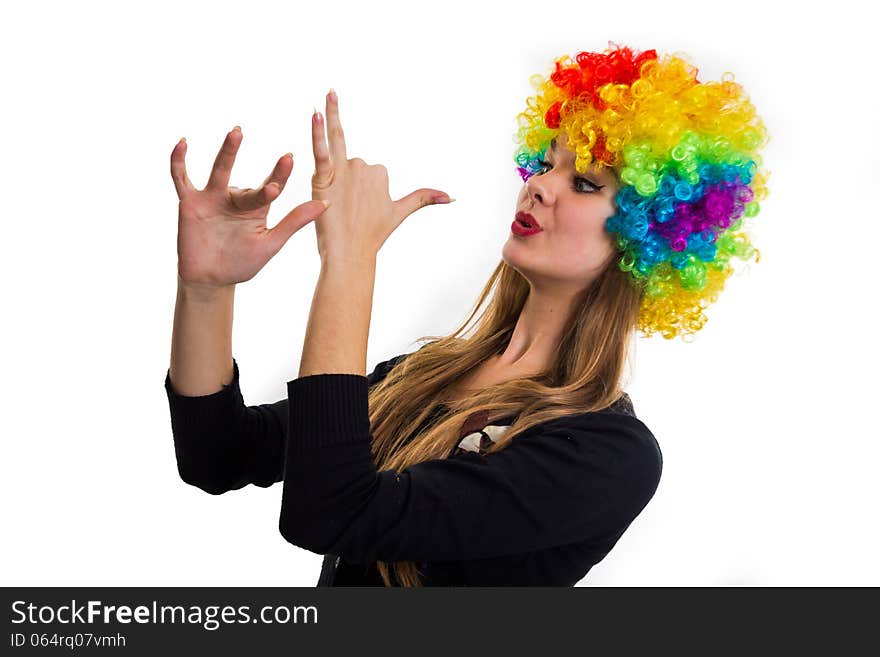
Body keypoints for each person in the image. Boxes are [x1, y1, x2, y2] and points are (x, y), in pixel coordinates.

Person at [165, 43, 769, 587]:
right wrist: (208, 290)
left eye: (584, 183)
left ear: (651, 237)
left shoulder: (608, 454)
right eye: (545, 164)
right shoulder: (428, 374)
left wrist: (349, 263)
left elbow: (329, 512)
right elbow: (218, 455)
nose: (538, 187)